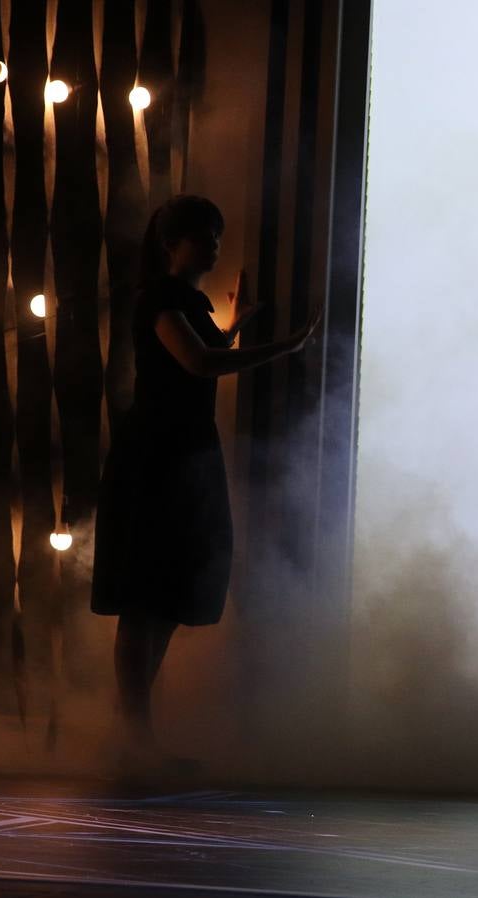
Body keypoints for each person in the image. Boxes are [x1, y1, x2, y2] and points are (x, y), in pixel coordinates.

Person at [91, 194, 321, 768]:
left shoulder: (187, 301)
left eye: (217, 236)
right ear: (172, 244)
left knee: (166, 595)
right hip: (157, 458)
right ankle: (135, 735)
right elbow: (197, 364)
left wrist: (235, 325)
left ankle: (136, 733)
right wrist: (280, 346)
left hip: (184, 454)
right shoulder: (161, 299)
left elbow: (203, 354)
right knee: (145, 597)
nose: (214, 246)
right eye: (203, 236)